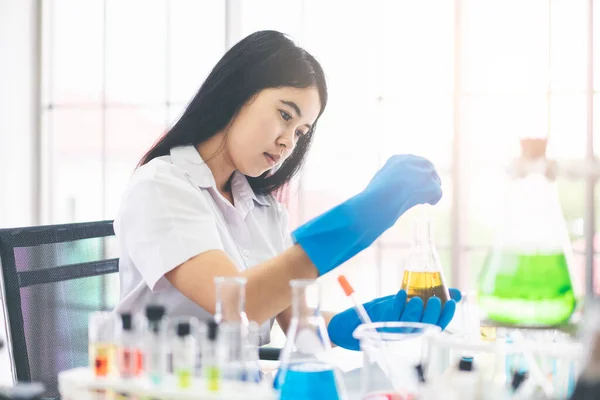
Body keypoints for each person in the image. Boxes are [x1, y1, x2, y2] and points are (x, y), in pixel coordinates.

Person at [113, 30, 460, 351]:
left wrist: (363, 326)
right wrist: (356, 222)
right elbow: (238, 303)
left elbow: (299, 326)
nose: (287, 142)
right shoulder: (160, 186)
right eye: (284, 115)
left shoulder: (265, 210)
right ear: (238, 92)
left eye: (300, 132)